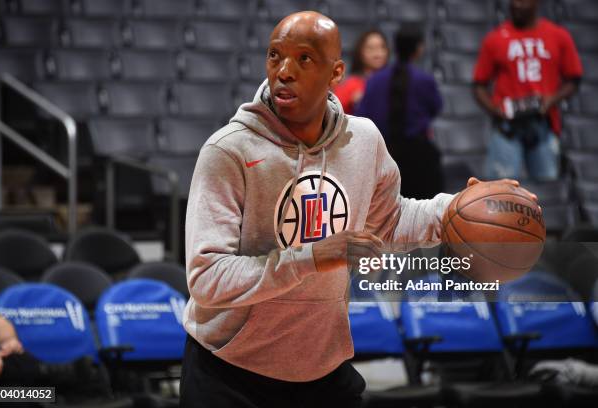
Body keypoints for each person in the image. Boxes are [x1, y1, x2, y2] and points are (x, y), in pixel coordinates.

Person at [180, 11, 537, 408]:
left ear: (336, 74)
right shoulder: (228, 151)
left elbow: (391, 221)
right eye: (274, 55)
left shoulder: (363, 140)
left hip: (323, 367)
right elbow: (207, 277)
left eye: (304, 59)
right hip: (229, 372)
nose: (283, 71)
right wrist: (313, 256)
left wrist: (460, 208)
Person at [473, 0, 583, 181]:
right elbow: (479, 84)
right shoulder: (495, 38)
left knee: (549, 190)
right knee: (500, 193)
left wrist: (552, 99)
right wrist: (495, 110)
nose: (516, 5)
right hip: (507, 127)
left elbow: (574, 78)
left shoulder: (558, 35)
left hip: (543, 123)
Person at [356, 24, 443, 199]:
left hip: (383, 159)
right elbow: (436, 108)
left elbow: (362, 114)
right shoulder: (425, 80)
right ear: (419, 49)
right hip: (420, 162)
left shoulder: (374, 81)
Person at [333, 30, 389, 114]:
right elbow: (334, 112)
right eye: (371, 48)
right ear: (360, 52)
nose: (377, 53)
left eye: (382, 47)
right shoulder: (350, 84)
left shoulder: (394, 82)